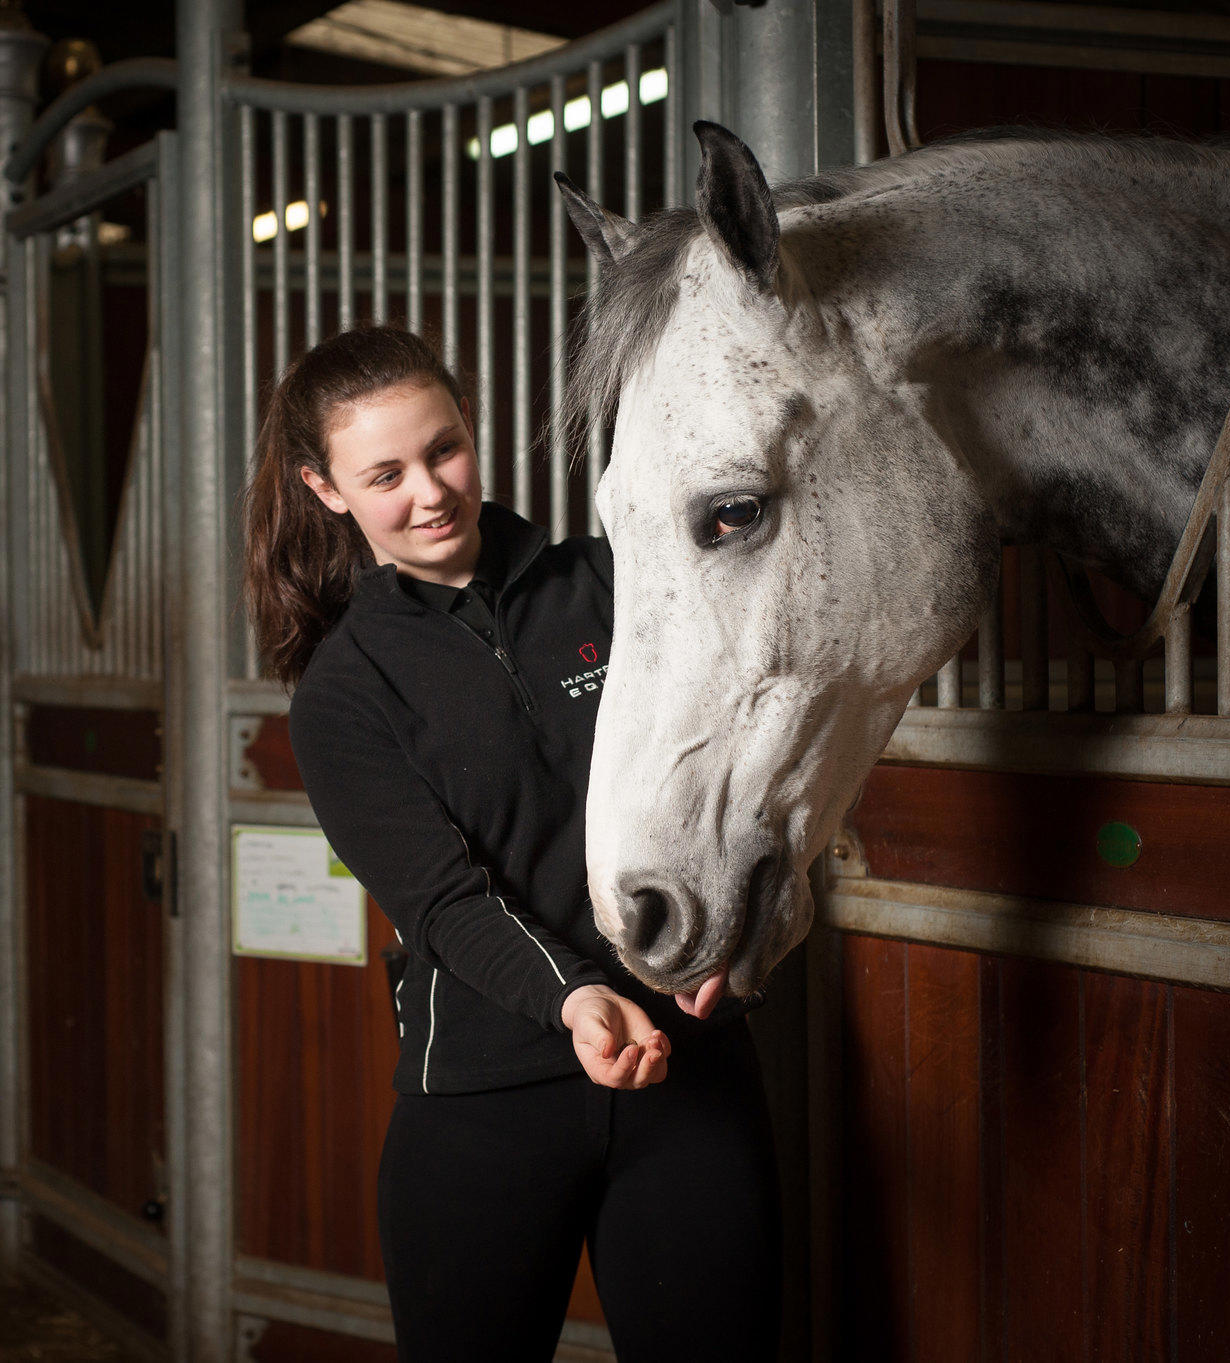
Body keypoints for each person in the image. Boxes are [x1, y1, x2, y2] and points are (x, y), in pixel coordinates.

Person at [242, 325, 780, 1362]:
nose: (429, 492)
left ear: (469, 429)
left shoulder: (617, 583)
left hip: (688, 1070)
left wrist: (735, 934)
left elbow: (738, 771)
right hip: (485, 1099)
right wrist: (576, 997)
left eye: (441, 449)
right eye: (383, 474)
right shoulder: (345, 692)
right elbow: (444, 901)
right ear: (325, 488)